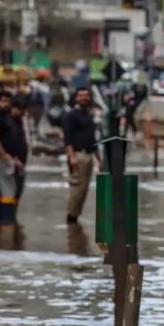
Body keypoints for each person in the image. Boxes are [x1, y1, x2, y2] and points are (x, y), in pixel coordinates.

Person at [63, 86, 102, 224]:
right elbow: (67, 138)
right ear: (76, 98)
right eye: (81, 95)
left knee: (84, 189)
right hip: (78, 155)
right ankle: (71, 217)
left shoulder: (89, 115)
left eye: (86, 95)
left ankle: (76, 217)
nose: (84, 98)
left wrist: (99, 158)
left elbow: (93, 139)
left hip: (89, 155)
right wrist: (71, 156)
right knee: (77, 189)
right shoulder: (71, 115)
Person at [0, 90, 25, 223]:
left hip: (7, 156)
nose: (6, 103)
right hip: (0, 157)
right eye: (3, 100)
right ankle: (7, 219)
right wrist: (5, 156)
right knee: (9, 188)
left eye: (8, 101)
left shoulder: (8, 117)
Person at [10, 96, 29, 204]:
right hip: (13, 162)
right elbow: (8, 143)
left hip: (21, 162)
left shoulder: (20, 121)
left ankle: (12, 216)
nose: (23, 112)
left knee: (18, 189)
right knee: (12, 190)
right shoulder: (9, 122)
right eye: (21, 110)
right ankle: (7, 216)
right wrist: (14, 159)